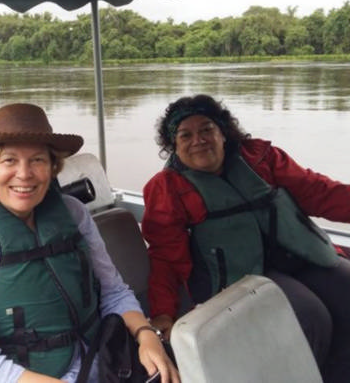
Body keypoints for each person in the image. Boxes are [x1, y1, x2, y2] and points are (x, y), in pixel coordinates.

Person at [0, 103, 180, 383]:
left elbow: (113, 292)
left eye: (38, 160)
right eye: (9, 160)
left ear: (53, 167)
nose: (25, 173)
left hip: (104, 360)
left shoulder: (74, 213)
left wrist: (146, 335)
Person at [142, 94, 350, 382]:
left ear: (223, 133)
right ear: (173, 146)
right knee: (309, 317)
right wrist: (162, 313)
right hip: (241, 277)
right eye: (185, 135)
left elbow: (319, 192)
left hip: (299, 255)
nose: (198, 140)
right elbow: (164, 255)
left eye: (206, 129)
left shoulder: (260, 159)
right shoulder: (168, 188)